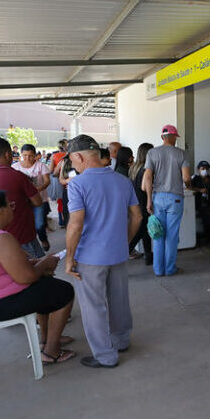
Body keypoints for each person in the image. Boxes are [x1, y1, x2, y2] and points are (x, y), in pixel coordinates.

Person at [0, 191, 75, 364]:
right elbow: (27, 277)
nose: (13, 209)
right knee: (64, 291)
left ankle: (45, 339)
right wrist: (45, 264)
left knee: (47, 284)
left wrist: (37, 264)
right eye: (9, 205)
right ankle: (51, 351)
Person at [64, 135, 142, 368]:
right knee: (119, 298)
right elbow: (137, 216)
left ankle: (105, 355)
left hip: (90, 256)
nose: (73, 166)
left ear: (78, 156)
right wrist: (124, 242)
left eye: (72, 161)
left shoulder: (78, 184)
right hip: (117, 253)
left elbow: (76, 223)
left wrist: (69, 258)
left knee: (93, 306)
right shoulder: (122, 180)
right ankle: (121, 340)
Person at [0, 137, 45, 258]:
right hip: (23, 235)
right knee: (35, 270)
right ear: (7, 154)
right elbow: (38, 202)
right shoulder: (18, 176)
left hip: (0, 238)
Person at [142, 125, 192, 277]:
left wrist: (149, 200)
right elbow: (186, 178)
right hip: (175, 198)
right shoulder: (182, 154)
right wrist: (189, 185)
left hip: (157, 198)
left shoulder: (152, 153)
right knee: (171, 236)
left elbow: (148, 177)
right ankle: (170, 269)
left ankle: (158, 270)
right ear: (174, 137)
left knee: (158, 234)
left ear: (162, 137)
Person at [13, 144, 52, 252]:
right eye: (25, 155)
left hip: (39, 200)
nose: (27, 158)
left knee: (39, 224)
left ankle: (43, 239)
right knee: (25, 224)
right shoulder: (15, 167)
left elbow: (47, 181)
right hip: (22, 201)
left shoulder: (41, 166)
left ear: (35, 155)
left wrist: (37, 189)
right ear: (21, 155)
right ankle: (31, 245)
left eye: (30, 156)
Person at [129, 143, 154, 266]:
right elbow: (146, 187)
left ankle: (149, 256)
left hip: (136, 202)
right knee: (141, 231)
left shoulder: (134, 167)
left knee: (145, 231)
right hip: (144, 201)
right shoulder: (146, 169)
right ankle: (125, 251)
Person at [192, 160, 210, 243]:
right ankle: (208, 236)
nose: (204, 170)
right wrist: (199, 190)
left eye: (206, 168)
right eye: (202, 168)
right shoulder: (195, 179)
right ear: (198, 169)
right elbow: (189, 188)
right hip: (199, 204)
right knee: (205, 216)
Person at [50, 139, 68, 227]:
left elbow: (50, 170)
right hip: (69, 179)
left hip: (58, 181)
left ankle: (61, 221)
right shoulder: (69, 155)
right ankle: (67, 219)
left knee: (60, 201)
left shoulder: (54, 156)